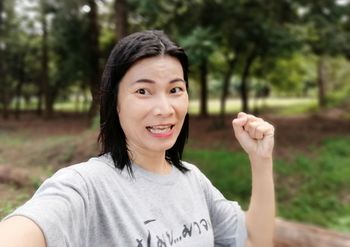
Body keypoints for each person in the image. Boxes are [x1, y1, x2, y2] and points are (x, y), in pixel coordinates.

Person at [0, 30, 275, 247]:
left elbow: (254, 241)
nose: (165, 109)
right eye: (143, 91)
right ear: (115, 102)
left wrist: (261, 160)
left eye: (175, 89)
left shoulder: (194, 180)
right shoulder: (85, 186)